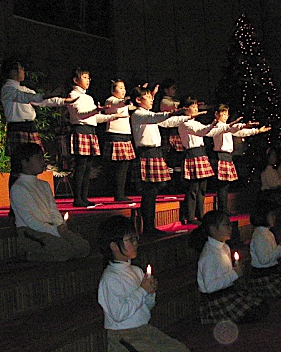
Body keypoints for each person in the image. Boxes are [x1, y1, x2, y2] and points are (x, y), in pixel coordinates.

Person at [97, 215, 192, 352]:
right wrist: (142, 291)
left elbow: (147, 307)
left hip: (144, 330)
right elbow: (119, 315)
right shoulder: (110, 278)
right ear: (114, 246)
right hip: (124, 336)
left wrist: (150, 293)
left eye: (135, 238)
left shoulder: (136, 271)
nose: (136, 243)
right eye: (130, 239)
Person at [9, 143, 90, 261]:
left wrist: (60, 225)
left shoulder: (44, 184)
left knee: (83, 246)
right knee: (63, 249)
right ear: (24, 162)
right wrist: (56, 231)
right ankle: (33, 254)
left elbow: (53, 210)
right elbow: (29, 220)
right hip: (31, 232)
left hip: (51, 228)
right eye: (38, 158)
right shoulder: (18, 188)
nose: (43, 161)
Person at [128, 85, 190, 235]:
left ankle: (151, 226)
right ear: (138, 100)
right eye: (148, 97)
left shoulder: (149, 114)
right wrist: (173, 112)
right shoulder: (138, 114)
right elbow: (155, 118)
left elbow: (166, 122)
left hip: (155, 153)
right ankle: (148, 227)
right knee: (149, 192)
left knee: (153, 192)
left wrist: (187, 117)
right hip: (146, 153)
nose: (151, 100)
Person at [191, 210, 268, 323]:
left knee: (261, 304)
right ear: (213, 229)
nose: (230, 227)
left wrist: (235, 271)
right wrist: (234, 273)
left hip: (228, 293)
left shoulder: (224, 247)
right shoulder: (209, 255)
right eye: (226, 224)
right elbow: (210, 287)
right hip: (217, 299)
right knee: (256, 312)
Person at [65, 67, 126, 207]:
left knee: (88, 167)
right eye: (84, 77)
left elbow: (94, 117)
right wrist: (96, 110)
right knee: (81, 166)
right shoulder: (73, 95)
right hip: (81, 129)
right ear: (75, 80)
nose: (88, 80)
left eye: (88, 78)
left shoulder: (88, 97)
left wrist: (112, 116)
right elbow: (81, 114)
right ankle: (77, 198)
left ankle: (84, 197)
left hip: (90, 130)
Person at [0, 58, 73, 155]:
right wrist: (45, 95)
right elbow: (24, 97)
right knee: (21, 159)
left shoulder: (23, 89)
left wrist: (63, 101)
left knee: (34, 158)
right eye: (21, 68)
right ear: (13, 71)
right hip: (17, 128)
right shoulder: (7, 89)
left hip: (29, 126)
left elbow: (40, 101)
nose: (23, 71)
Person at [207, 104, 271, 215]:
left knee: (226, 185)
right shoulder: (218, 127)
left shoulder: (227, 127)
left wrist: (257, 131)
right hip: (221, 155)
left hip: (227, 156)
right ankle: (222, 210)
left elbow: (240, 132)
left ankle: (224, 209)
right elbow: (234, 128)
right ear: (216, 114)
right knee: (222, 185)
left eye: (227, 114)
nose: (225, 116)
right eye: (223, 114)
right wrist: (243, 125)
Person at [177, 95, 220, 225]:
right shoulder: (184, 123)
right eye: (193, 106)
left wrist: (222, 127)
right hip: (192, 154)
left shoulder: (196, 122)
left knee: (202, 188)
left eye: (196, 106)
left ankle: (201, 215)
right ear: (185, 108)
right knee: (193, 189)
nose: (196, 108)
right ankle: (190, 216)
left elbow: (207, 132)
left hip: (201, 153)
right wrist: (212, 124)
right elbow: (200, 131)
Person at [248, 203, 281, 299]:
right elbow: (264, 260)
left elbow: (273, 255)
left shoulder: (267, 233)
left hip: (271, 272)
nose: (274, 217)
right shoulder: (259, 236)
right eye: (271, 215)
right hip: (263, 274)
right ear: (263, 217)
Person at [103, 79, 135, 201]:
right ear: (113, 90)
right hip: (116, 135)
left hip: (125, 135)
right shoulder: (111, 100)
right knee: (119, 168)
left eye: (124, 88)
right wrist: (129, 99)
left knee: (125, 167)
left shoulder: (123, 103)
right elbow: (120, 103)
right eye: (120, 88)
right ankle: (118, 194)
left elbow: (131, 105)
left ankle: (121, 193)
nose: (123, 90)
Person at [153, 78, 183, 193]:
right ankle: (170, 186)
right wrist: (187, 105)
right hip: (169, 132)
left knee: (177, 160)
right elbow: (176, 106)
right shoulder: (165, 101)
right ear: (166, 90)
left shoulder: (173, 100)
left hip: (175, 131)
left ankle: (177, 184)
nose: (175, 90)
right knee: (171, 159)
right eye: (173, 88)